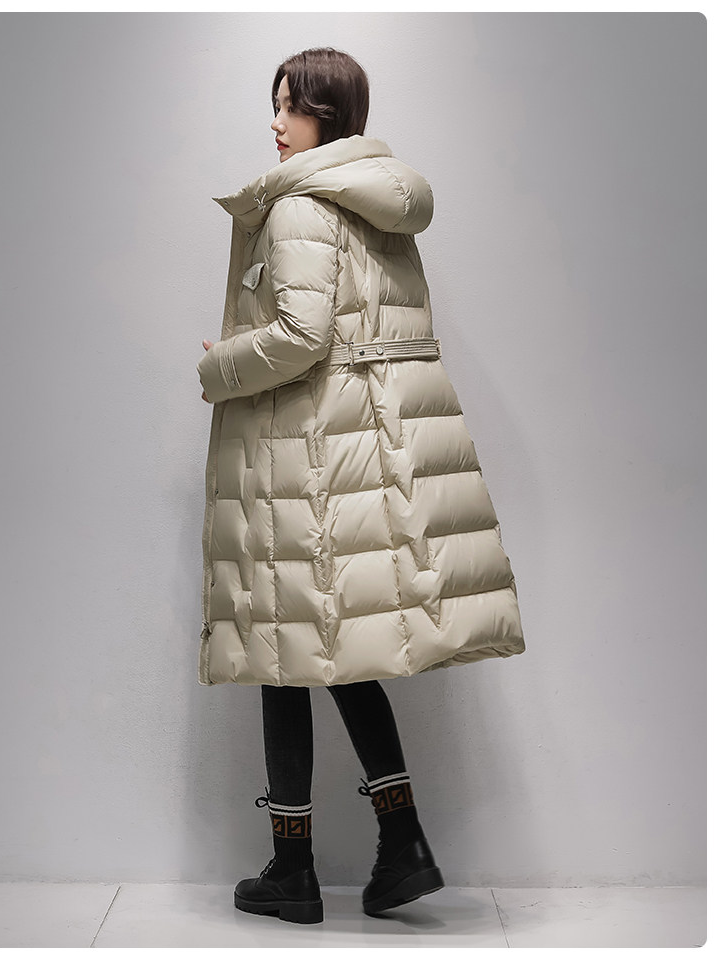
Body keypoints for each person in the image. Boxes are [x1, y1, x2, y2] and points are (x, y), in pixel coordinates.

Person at [196, 47, 526, 925]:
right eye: (274, 105)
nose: (276, 123)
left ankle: (297, 866)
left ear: (329, 116)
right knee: (334, 652)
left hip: (306, 457)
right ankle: (399, 841)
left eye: (291, 107)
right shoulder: (378, 202)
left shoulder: (300, 203)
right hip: (363, 456)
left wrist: (222, 364)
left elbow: (303, 335)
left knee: (284, 656)